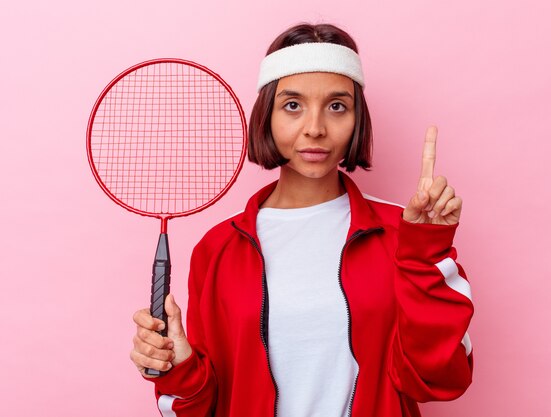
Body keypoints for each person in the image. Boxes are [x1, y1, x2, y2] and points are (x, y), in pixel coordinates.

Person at [130, 23, 474, 417]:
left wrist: (424, 253)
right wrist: (179, 368)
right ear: (267, 116)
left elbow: (442, 378)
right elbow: (202, 408)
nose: (315, 128)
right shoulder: (218, 248)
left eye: (337, 106)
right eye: (292, 105)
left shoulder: (403, 234)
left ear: (357, 119)